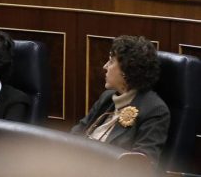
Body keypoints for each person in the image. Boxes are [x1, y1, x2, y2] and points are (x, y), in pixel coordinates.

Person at [71, 35, 170, 164]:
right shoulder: (107, 98)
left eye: (111, 62)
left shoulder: (154, 110)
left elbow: (142, 164)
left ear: (127, 69)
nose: (105, 66)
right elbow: (76, 133)